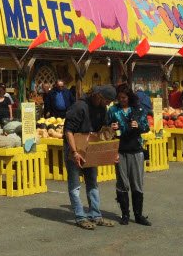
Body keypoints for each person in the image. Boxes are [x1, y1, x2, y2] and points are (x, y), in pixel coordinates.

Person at [63, 84, 118, 230]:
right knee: (75, 186)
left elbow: (101, 131)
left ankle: (95, 215)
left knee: (92, 183)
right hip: (74, 149)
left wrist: (110, 135)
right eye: (107, 101)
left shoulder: (102, 108)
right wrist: (74, 152)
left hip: (90, 149)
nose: (108, 104)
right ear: (99, 96)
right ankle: (80, 217)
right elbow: (68, 131)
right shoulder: (79, 106)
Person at [108, 85, 151, 226]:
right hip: (120, 150)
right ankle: (125, 214)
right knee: (122, 183)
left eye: (124, 98)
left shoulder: (138, 109)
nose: (122, 100)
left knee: (137, 183)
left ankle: (138, 215)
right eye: (119, 98)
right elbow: (105, 129)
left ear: (129, 97)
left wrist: (138, 125)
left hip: (136, 150)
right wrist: (111, 128)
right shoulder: (113, 110)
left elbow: (146, 127)